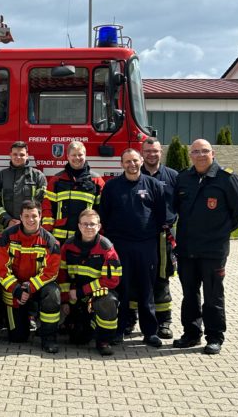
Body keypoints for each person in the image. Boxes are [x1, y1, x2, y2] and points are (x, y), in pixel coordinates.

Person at [173, 139, 238, 355]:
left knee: (213, 295)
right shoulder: (183, 178)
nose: (200, 155)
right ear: (190, 156)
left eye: (204, 151)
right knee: (189, 294)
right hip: (187, 248)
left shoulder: (227, 178)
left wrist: (221, 231)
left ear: (212, 153)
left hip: (213, 251)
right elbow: (177, 208)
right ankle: (191, 333)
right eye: (195, 152)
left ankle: (215, 337)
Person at [99, 148, 166, 348]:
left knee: (147, 290)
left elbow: (161, 216)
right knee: (122, 290)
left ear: (141, 161)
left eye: (135, 160)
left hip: (146, 246)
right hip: (120, 247)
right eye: (127, 161)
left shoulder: (153, 185)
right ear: (121, 164)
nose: (132, 164)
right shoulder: (111, 187)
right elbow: (105, 215)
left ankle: (150, 333)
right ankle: (119, 330)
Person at [0, 200, 62, 353]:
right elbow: (2, 270)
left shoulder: (51, 242)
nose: (30, 220)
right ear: (20, 217)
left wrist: (29, 287)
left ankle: (49, 337)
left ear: (41, 217)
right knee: (17, 337)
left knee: (53, 294)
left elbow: (50, 272)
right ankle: (26, 320)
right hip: (15, 289)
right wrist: (16, 289)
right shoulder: (6, 237)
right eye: (26, 216)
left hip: (38, 287)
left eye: (34, 216)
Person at [58, 209, 121, 356]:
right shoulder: (68, 246)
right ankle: (85, 324)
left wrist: (81, 292)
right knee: (78, 339)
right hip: (76, 299)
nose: (89, 228)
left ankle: (104, 341)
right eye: (85, 224)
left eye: (92, 224)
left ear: (99, 226)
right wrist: (66, 300)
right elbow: (62, 276)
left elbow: (111, 281)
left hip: (97, 295)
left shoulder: (106, 248)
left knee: (108, 301)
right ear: (79, 226)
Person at [139, 138, 179, 339]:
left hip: (164, 237)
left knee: (162, 278)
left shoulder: (172, 176)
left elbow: (182, 205)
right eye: (147, 151)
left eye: (155, 151)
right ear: (142, 153)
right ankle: (130, 320)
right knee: (138, 277)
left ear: (160, 153)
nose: (151, 155)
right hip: (142, 237)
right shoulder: (136, 175)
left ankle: (164, 322)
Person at [42, 141, 105, 243]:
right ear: (68, 156)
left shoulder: (97, 181)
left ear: (85, 155)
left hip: (86, 238)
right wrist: (47, 232)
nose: (77, 158)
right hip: (59, 238)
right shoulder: (56, 180)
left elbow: (102, 211)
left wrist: (99, 235)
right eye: (73, 155)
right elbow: (47, 207)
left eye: (80, 154)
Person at [0, 141, 47, 236]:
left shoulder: (38, 176)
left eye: (21, 154)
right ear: (10, 155)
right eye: (15, 154)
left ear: (27, 155)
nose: (18, 157)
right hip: (6, 229)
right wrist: (7, 220)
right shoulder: (1, 176)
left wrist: (26, 220)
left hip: (31, 229)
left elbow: (42, 204)